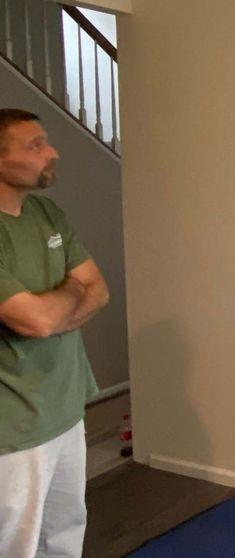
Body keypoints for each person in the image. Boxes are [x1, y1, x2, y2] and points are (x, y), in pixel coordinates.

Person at [0, 108, 109, 558]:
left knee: (64, 533)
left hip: (65, 407)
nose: (53, 152)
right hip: (14, 425)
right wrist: (71, 288)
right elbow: (35, 321)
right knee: (16, 544)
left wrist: (57, 305)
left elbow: (98, 289)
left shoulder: (46, 212)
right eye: (35, 145)